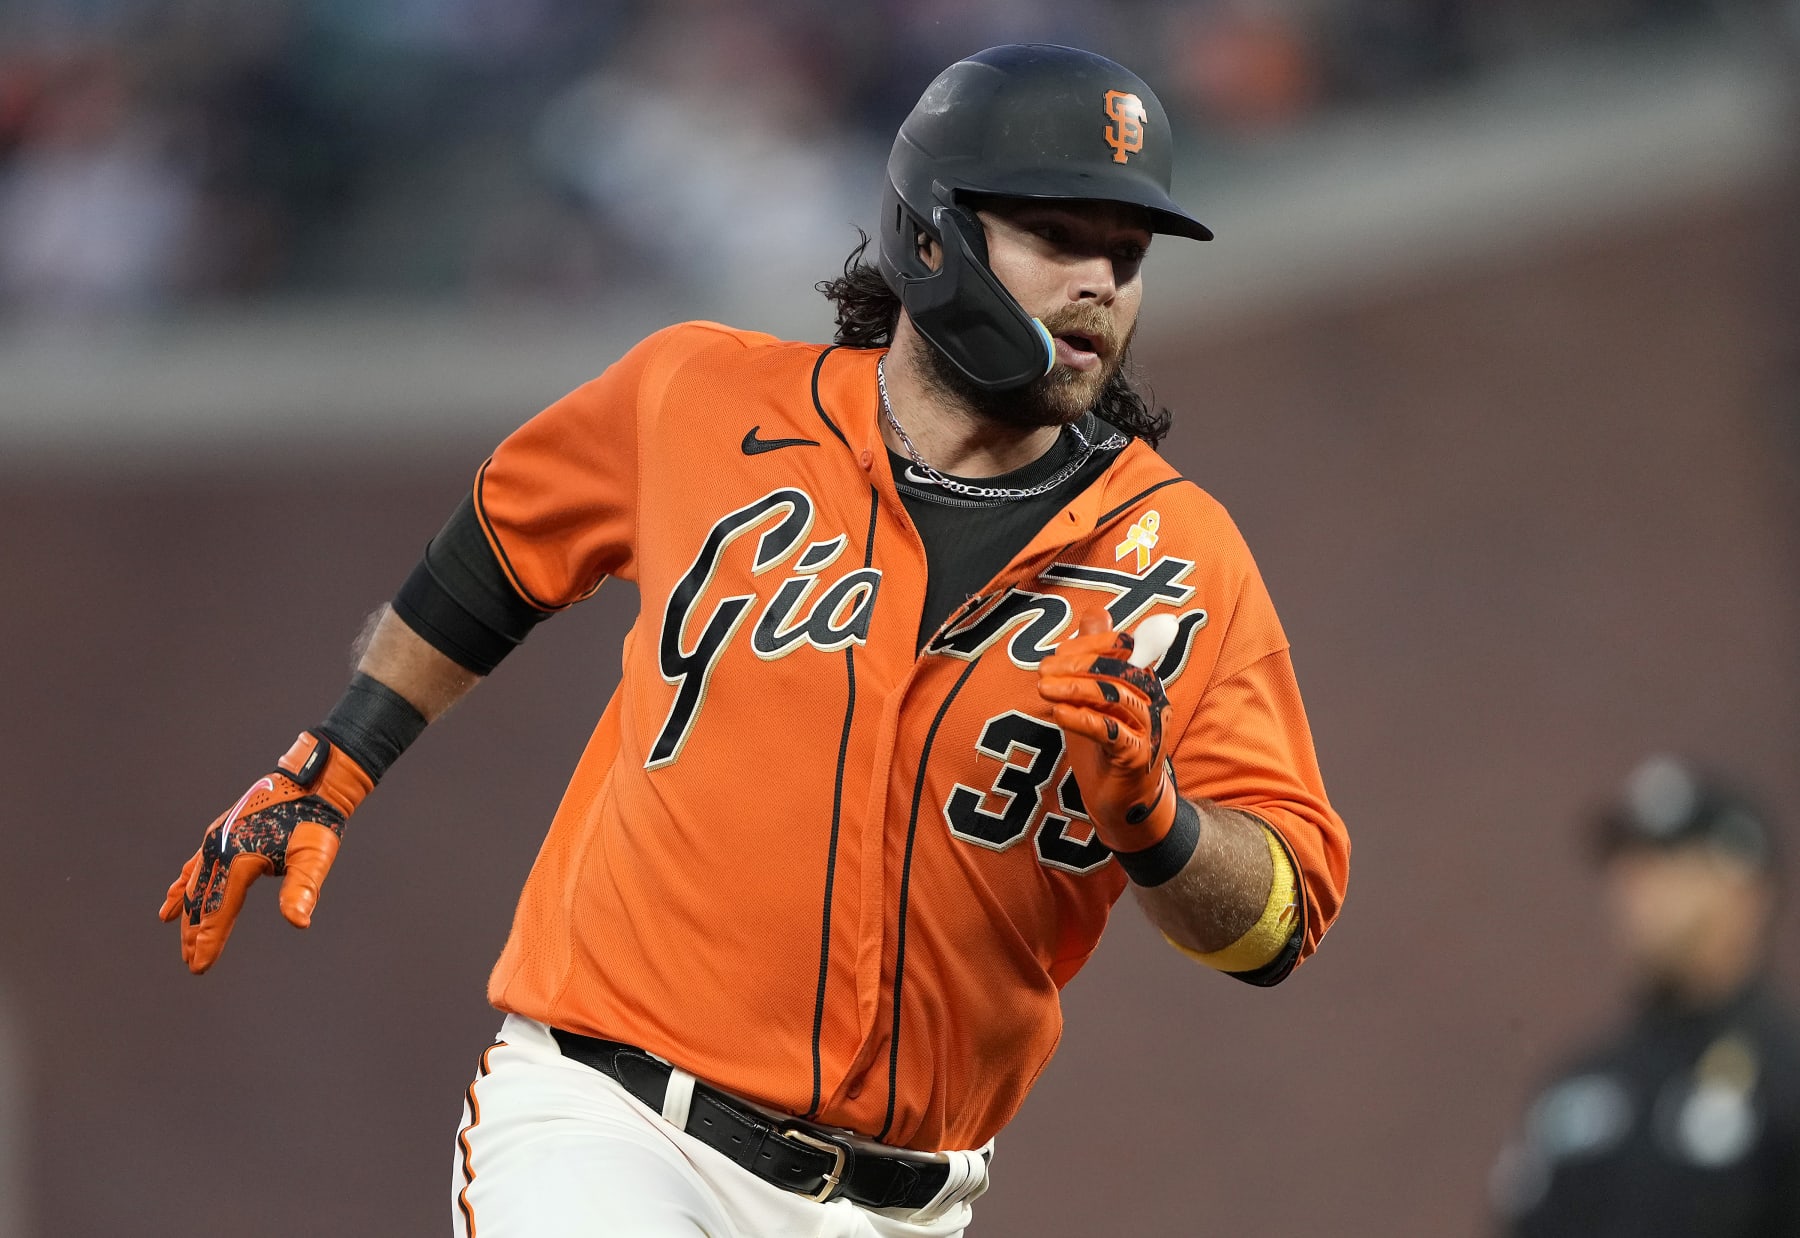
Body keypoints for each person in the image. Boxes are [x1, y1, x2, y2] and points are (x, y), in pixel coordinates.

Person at [159, 44, 1351, 1237]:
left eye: (1128, 257)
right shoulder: (703, 399)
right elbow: (496, 551)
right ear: (932, 234)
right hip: (615, 1130)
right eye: (1058, 235)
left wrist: (1162, 830)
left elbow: (1280, 919)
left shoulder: (1182, 557)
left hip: (901, 1204)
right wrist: (343, 753)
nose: (1100, 282)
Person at [1491, 754, 1800, 1238]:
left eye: (1670, 866)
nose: (1638, 893)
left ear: (1746, 889)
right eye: (1630, 870)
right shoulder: (1578, 1087)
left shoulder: (1784, 1080)